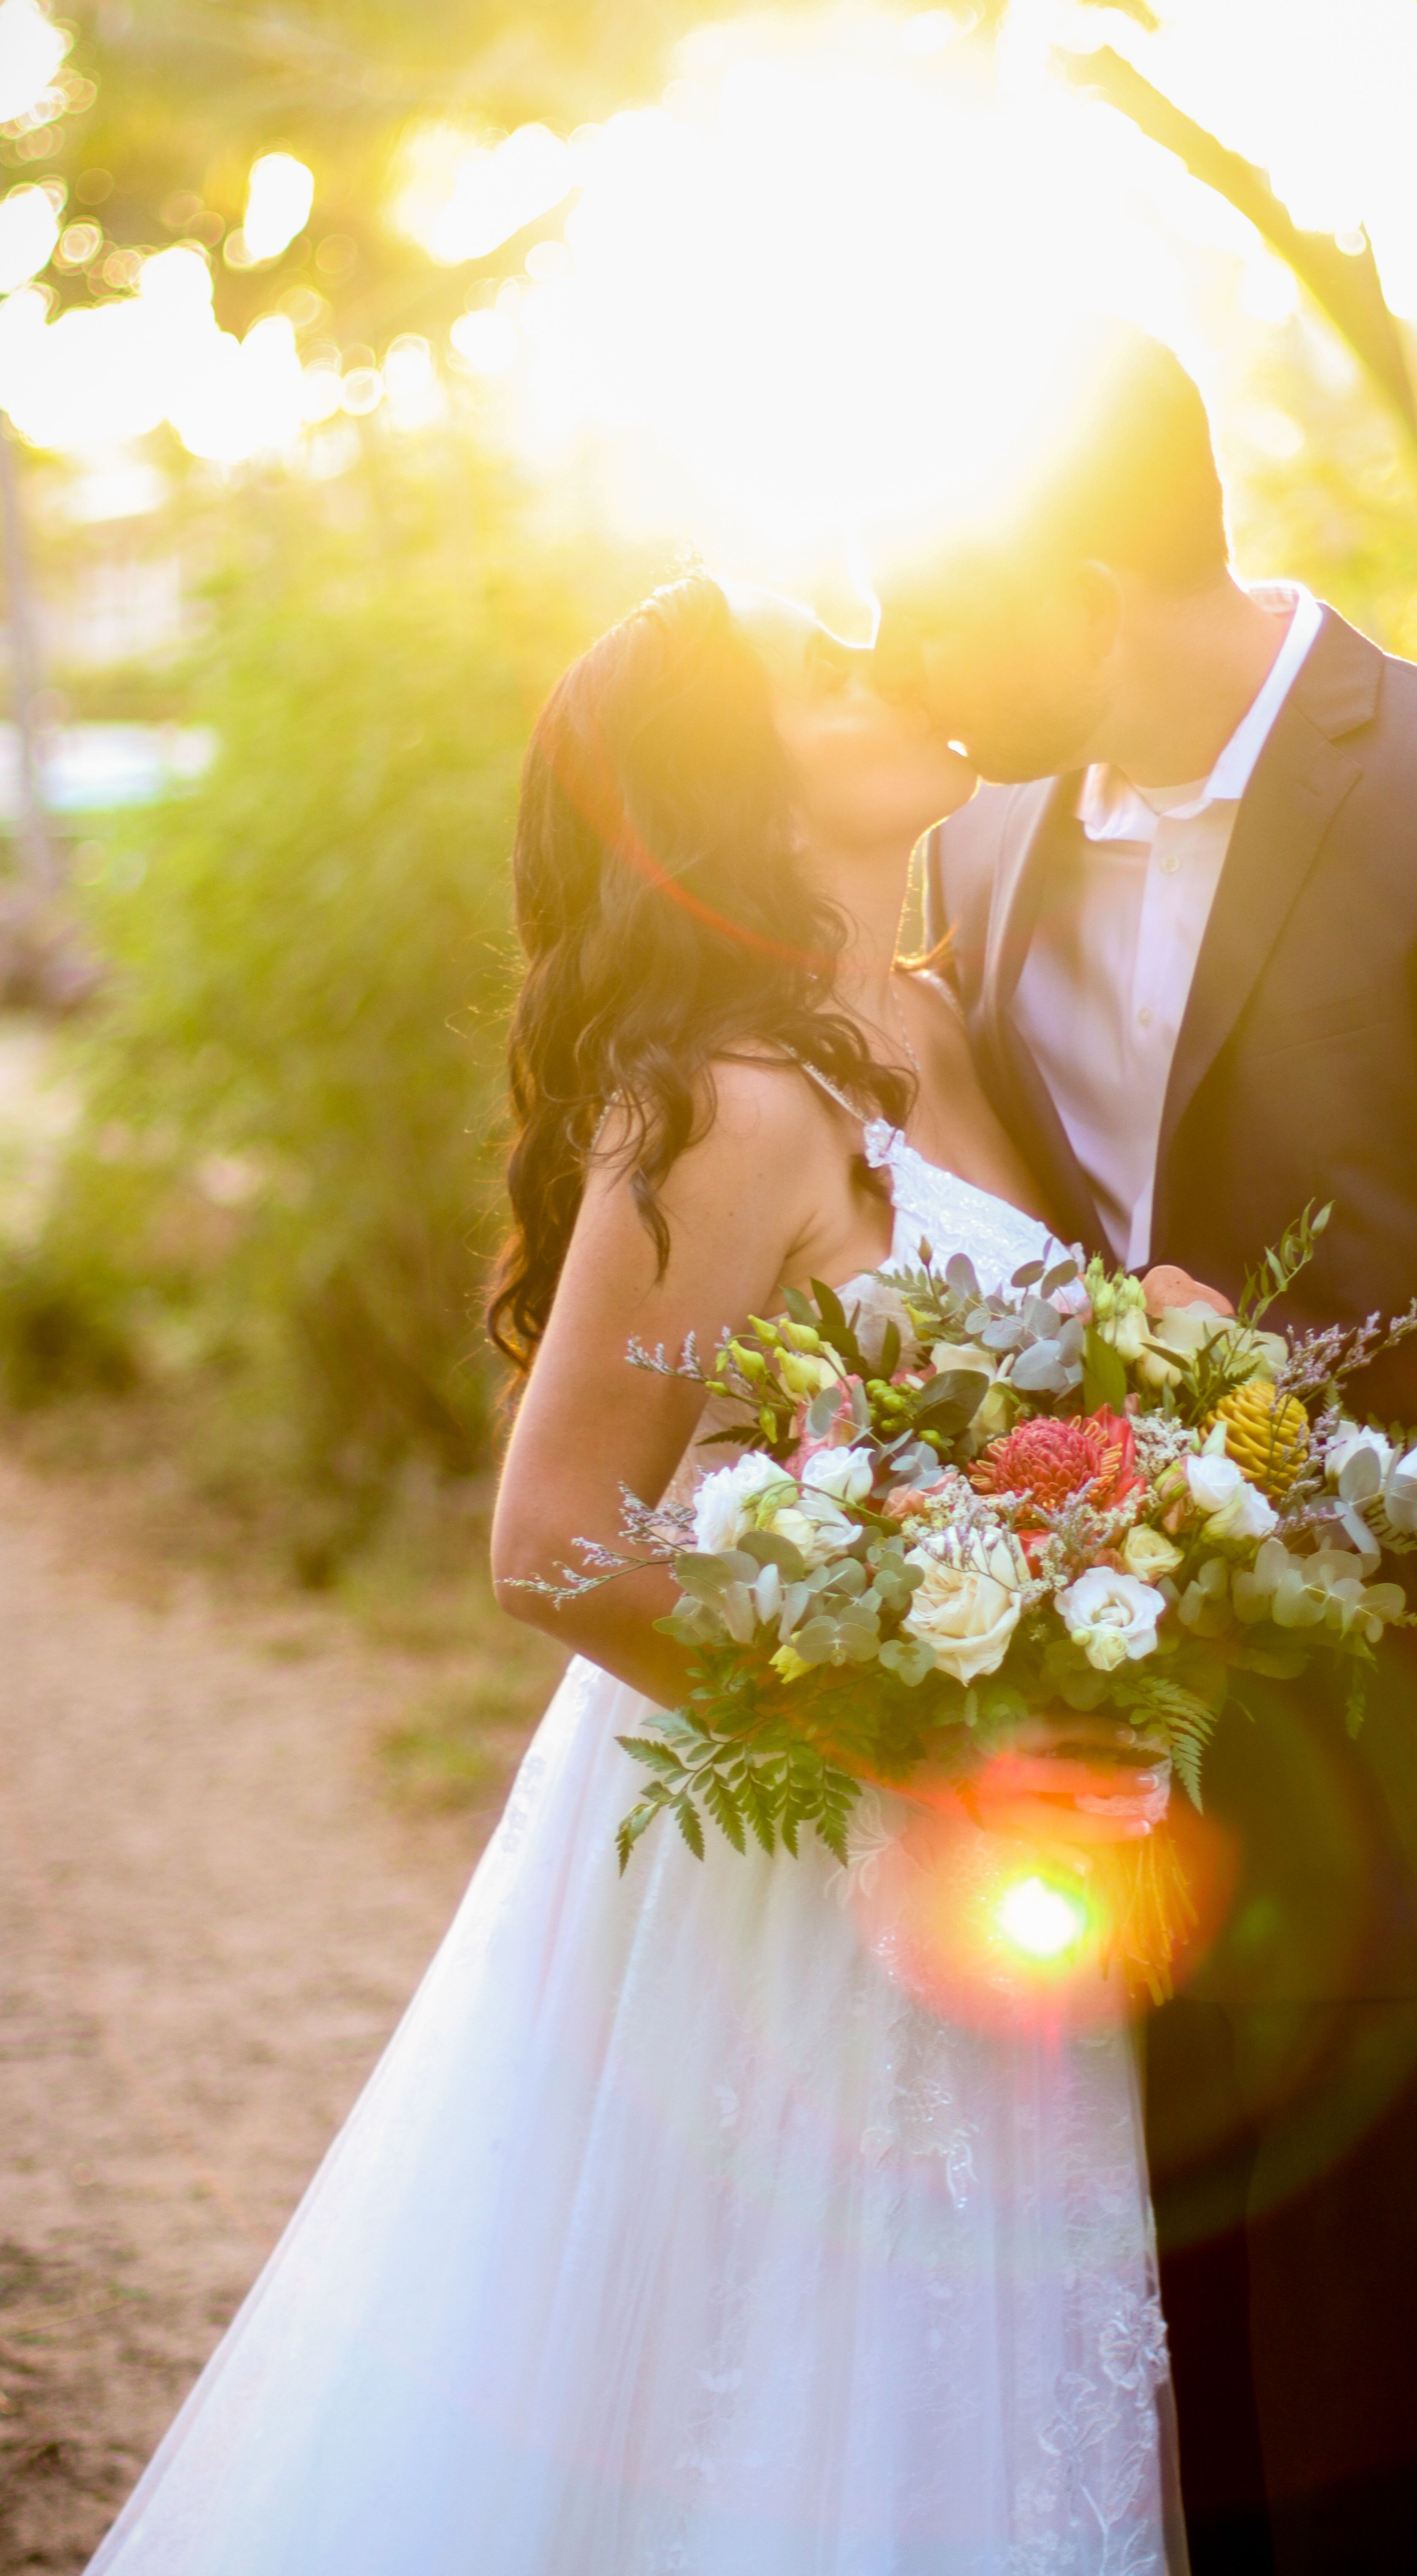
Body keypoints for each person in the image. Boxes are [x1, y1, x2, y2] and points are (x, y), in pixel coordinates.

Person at [84, 575, 1187, 2576]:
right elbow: (555, 1534)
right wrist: (929, 1747)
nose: (899, 668)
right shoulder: (733, 1105)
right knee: (747, 2401)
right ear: (727, 781)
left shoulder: (934, 1013)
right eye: (825, 674)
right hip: (791, 1855)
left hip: (996, 1851)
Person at [871, 323, 1417, 2576]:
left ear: (1084, 582)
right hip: (1070, 1820)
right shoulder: (970, 845)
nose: (910, 669)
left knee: (1380, 2481)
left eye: (941, 611)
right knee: (1119, 2465)